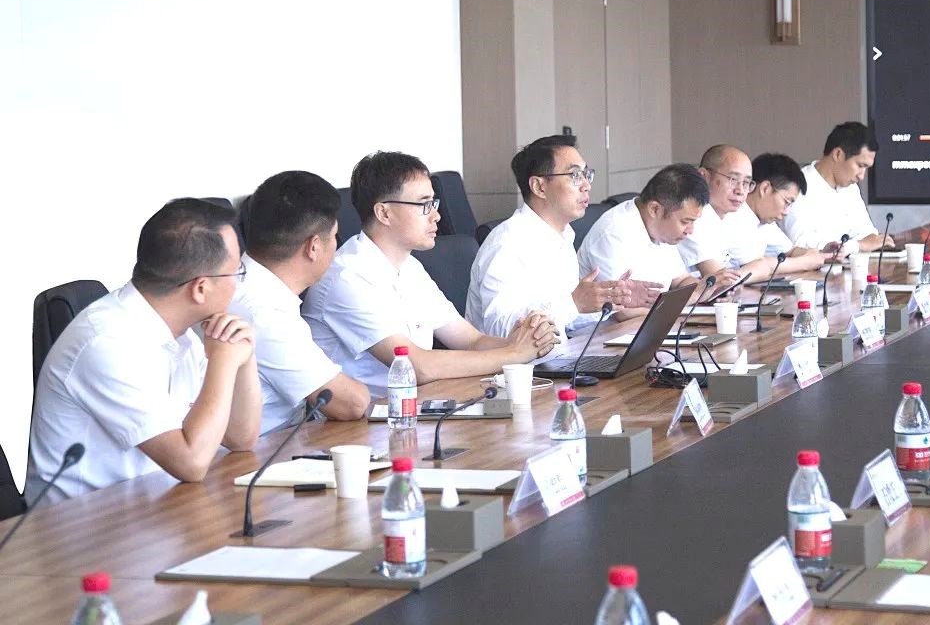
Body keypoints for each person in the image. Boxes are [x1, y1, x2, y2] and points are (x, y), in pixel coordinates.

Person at [27, 199, 261, 505]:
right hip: (86, 524)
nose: (239, 283)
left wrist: (244, 356)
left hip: (160, 504)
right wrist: (224, 362)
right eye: (237, 272)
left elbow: (240, 438)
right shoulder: (107, 342)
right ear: (200, 288)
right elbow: (191, 462)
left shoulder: (181, 329)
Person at [302, 152, 556, 394]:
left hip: (419, 405)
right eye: (424, 204)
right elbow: (416, 366)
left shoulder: (410, 267)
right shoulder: (347, 276)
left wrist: (527, 341)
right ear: (384, 213)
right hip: (364, 418)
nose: (436, 216)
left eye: (433, 203)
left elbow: (471, 341)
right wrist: (514, 354)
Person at [232, 171, 371, 433]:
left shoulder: (246, 285)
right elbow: (350, 404)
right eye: (335, 236)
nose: (336, 246)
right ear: (314, 247)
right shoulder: (263, 310)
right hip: (260, 451)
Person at [465, 135, 641, 339]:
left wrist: (609, 301)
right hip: (514, 360)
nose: (586, 185)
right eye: (575, 175)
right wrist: (574, 303)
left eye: (586, 174)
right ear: (539, 187)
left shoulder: (563, 235)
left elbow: (567, 320)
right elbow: (500, 329)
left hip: (559, 353)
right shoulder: (507, 244)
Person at [578, 163, 717, 318]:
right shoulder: (612, 232)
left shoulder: (662, 230)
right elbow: (622, 312)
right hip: (601, 329)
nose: (690, 231)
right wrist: (688, 298)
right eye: (685, 222)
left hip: (648, 322)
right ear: (655, 209)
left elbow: (681, 280)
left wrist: (706, 289)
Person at [781, 121, 892, 252]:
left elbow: (866, 234)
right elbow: (801, 244)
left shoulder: (851, 188)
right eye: (860, 166)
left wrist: (877, 241)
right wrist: (857, 245)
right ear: (838, 154)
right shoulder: (796, 185)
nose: (862, 176)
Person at [724, 153, 829, 282]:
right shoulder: (733, 215)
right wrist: (805, 262)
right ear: (765, 189)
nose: (786, 212)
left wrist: (820, 254)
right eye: (786, 202)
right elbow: (757, 266)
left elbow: (790, 251)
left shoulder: (765, 221)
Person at [678, 144, 757, 286]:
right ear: (704, 176)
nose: (740, 190)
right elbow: (720, 281)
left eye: (746, 182)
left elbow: (760, 264)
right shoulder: (692, 216)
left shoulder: (734, 212)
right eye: (733, 179)